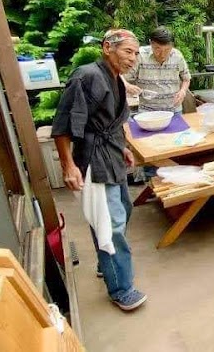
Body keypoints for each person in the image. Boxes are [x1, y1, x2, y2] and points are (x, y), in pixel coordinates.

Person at [51, 29, 148, 312]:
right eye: (128, 52)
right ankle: (121, 288)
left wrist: (124, 148)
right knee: (112, 224)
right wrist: (69, 166)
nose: (133, 58)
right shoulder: (86, 76)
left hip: (112, 154)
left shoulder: (115, 78)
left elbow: (111, 123)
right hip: (94, 159)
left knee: (122, 211)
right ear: (107, 48)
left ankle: (107, 266)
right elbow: (63, 126)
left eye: (136, 53)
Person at [123, 26, 193, 113]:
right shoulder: (140, 55)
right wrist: (128, 86)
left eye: (167, 50)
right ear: (151, 43)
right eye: (157, 49)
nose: (162, 54)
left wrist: (183, 91)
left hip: (174, 110)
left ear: (172, 46)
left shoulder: (177, 56)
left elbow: (186, 78)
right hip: (147, 111)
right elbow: (120, 76)